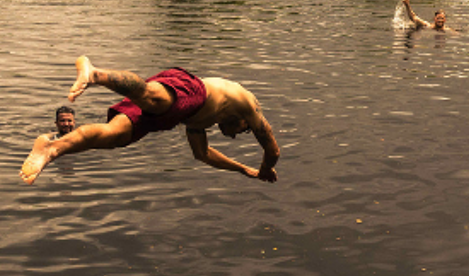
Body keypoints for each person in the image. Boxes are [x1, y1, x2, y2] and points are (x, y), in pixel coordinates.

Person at [21, 56, 280, 185]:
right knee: (151, 96)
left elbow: (202, 154)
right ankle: (95, 74)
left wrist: (244, 169)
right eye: (243, 131)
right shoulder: (245, 102)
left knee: (114, 136)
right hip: (191, 89)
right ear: (245, 119)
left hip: (175, 113)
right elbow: (272, 149)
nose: (235, 134)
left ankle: (51, 149)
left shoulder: (199, 123)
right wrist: (266, 168)